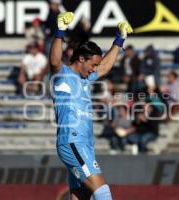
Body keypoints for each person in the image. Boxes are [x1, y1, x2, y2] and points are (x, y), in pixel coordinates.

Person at [49, 12, 132, 200]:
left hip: (84, 144)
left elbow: (105, 67)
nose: (95, 69)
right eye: (92, 64)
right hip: (72, 141)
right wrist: (60, 31)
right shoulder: (61, 75)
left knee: (80, 195)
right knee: (102, 191)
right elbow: (54, 61)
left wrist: (119, 40)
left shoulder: (85, 78)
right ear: (81, 59)